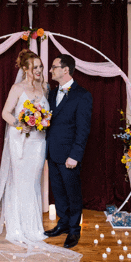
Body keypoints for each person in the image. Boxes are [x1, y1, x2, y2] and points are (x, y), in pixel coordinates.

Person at [0, 50, 82, 262]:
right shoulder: (17, 89)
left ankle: (33, 227)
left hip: (38, 143)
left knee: (33, 182)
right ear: (25, 69)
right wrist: (20, 123)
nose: (39, 71)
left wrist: (41, 122)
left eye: (41, 67)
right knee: (19, 182)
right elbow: (5, 113)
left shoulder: (45, 88)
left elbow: (49, 116)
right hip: (20, 141)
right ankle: (17, 227)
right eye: (35, 67)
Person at [44, 54, 93, 248]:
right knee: (58, 193)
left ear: (65, 70)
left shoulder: (83, 95)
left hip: (69, 156)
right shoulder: (51, 93)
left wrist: (75, 155)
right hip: (52, 153)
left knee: (73, 194)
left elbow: (83, 129)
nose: (50, 70)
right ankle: (63, 224)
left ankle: (74, 230)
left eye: (54, 67)